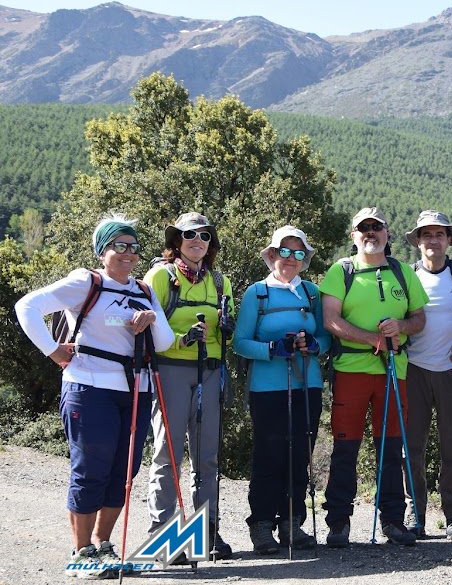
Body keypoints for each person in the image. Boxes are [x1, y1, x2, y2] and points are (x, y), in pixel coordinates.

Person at [15, 214, 174, 579]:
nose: (128, 253)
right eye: (119, 245)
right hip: (88, 386)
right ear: (103, 251)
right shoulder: (86, 282)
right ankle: (81, 553)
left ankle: (103, 546)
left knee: (123, 472)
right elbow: (27, 307)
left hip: (135, 390)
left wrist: (150, 320)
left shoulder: (144, 291)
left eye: (133, 246)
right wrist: (53, 350)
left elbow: (165, 342)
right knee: (90, 471)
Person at [320, 207, 429, 548]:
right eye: (363, 227)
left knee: (391, 448)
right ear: (353, 235)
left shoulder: (402, 272)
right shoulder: (341, 271)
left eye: (376, 227)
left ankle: (393, 521)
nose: (370, 232)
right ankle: (338, 522)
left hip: (394, 371)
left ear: (387, 233)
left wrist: (401, 326)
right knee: (345, 448)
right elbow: (330, 320)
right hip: (351, 370)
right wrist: (373, 339)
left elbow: (419, 319)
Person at [233, 225, 331, 554]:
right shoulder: (257, 293)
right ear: (272, 254)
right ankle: (261, 525)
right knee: (268, 454)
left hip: (308, 383)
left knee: (300, 454)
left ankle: (292, 523)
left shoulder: (312, 293)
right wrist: (272, 349)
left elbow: (326, 337)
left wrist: (313, 345)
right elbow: (240, 342)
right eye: (285, 251)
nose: (291, 258)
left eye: (298, 253)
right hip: (266, 388)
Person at [144, 212, 235, 560]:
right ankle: (163, 537)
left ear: (211, 243)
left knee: (207, 458)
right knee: (168, 455)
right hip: (171, 370)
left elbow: (226, 330)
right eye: (190, 235)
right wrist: (182, 339)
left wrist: (226, 328)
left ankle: (206, 532)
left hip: (209, 371)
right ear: (176, 241)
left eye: (205, 236)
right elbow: (148, 330)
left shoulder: (220, 282)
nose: (198, 241)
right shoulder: (161, 277)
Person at [402, 210, 452, 541]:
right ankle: (415, 513)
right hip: (413, 369)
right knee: (411, 446)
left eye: (439, 234)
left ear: (448, 240)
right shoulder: (406, 277)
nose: (433, 240)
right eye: (427, 234)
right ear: (418, 241)